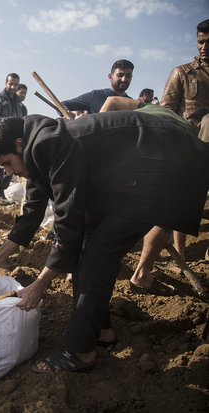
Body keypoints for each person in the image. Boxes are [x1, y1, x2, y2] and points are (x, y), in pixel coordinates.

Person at [0, 112, 208, 373]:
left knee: (98, 254)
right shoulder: (35, 154)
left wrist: (40, 285)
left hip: (157, 173)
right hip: (129, 181)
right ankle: (101, 330)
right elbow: (32, 213)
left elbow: (68, 221)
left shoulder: (49, 143)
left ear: (19, 144)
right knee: (88, 250)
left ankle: (79, 350)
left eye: (8, 163)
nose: (8, 172)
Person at [129, 19, 209, 294]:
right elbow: (165, 113)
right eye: (200, 41)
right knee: (169, 213)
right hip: (186, 151)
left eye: (208, 41)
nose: (204, 47)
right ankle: (148, 268)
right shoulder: (183, 73)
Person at [0, 73, 24, 205]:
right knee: (1, 163)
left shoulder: (18, 102)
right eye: (11, 84)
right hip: (2, 136)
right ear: (6, 84)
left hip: (14, 138)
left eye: (15, 84)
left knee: (13, 164)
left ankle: (2, 188)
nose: (13, 87)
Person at [60, 59, 134, 117]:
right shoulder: (95, 96)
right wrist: (65, 112)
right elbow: (63, 104)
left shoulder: (132, 103)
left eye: (128, 76)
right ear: (110, 77)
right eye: (120, 75)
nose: (124, 79)